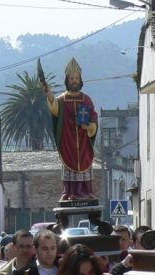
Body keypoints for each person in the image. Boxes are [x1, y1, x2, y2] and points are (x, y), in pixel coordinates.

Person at [42, 57, 98, 201]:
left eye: (77, 78)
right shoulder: (61, 100)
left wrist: (90, 126)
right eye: (72, 78)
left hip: (84, 141)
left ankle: (86, 191)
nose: (74, 81)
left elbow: (93, 117)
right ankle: (71, 192)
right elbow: (55, 108)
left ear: (80, 80)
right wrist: (49, 94)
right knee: (70, 164)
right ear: (67, 80)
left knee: (84, 163)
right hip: (68, 140)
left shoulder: (87, 100)